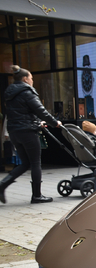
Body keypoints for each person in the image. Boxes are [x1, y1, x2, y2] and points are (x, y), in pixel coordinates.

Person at [0, 65, 62, 204]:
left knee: (25, 163)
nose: (32, 80)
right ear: (25, 79)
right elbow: (41, 110)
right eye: (31, 78)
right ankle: (37, 195)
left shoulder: (9, 92)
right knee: (35, 163)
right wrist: (54, 123)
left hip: (15, 131)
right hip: (27, 132)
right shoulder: (27, 92)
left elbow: (23, 112)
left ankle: (3, 185)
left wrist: (37, 121)